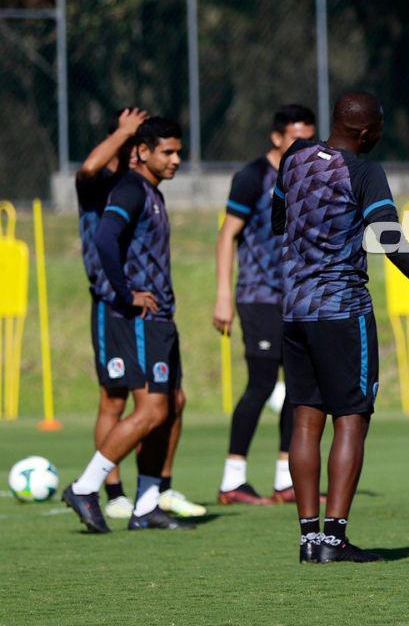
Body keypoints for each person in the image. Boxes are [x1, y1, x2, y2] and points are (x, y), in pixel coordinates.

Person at [272, 91, 409, 563]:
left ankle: (309, 539)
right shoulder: (364, 171)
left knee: (306, 417)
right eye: (377, 128)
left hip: (294, 309)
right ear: (364, 131)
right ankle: (335, 539)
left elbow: (279, 219)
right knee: (351, 417)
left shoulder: (293, 159)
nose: (379, 135)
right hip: (342, 308)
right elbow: (390, 240)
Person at [63, 116, 200, 532]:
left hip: (161, 317)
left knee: (173, 404)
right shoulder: (128, 188)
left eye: (179, 151)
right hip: (138, 316)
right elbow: (105, 237)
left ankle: (146, 504)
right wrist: (126, 294)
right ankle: (87, 487)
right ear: (143, 151)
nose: (177, 159)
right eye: (169, 152)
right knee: (148, 407)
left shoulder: (150, 191)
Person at [213, 104, 316, 504]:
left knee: (297, 389)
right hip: (258, 296)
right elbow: (227, 236)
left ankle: (284, 480)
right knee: (259, 384)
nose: (303, 146)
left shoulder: (309, 175)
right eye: (295, 138)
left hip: (298, 298)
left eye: (309, 138)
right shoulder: (252, 177)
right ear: (277, 138)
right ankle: (231, 479)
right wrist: (223, 294)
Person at [75, 107, 145, 519]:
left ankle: (154, 490)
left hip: (145, 306)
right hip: (111, 303)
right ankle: (112, 490)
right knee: (114, 401)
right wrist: (123, 132)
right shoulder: (98, 185)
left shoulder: (140, 187)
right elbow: (87, 166)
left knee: (162, 399)